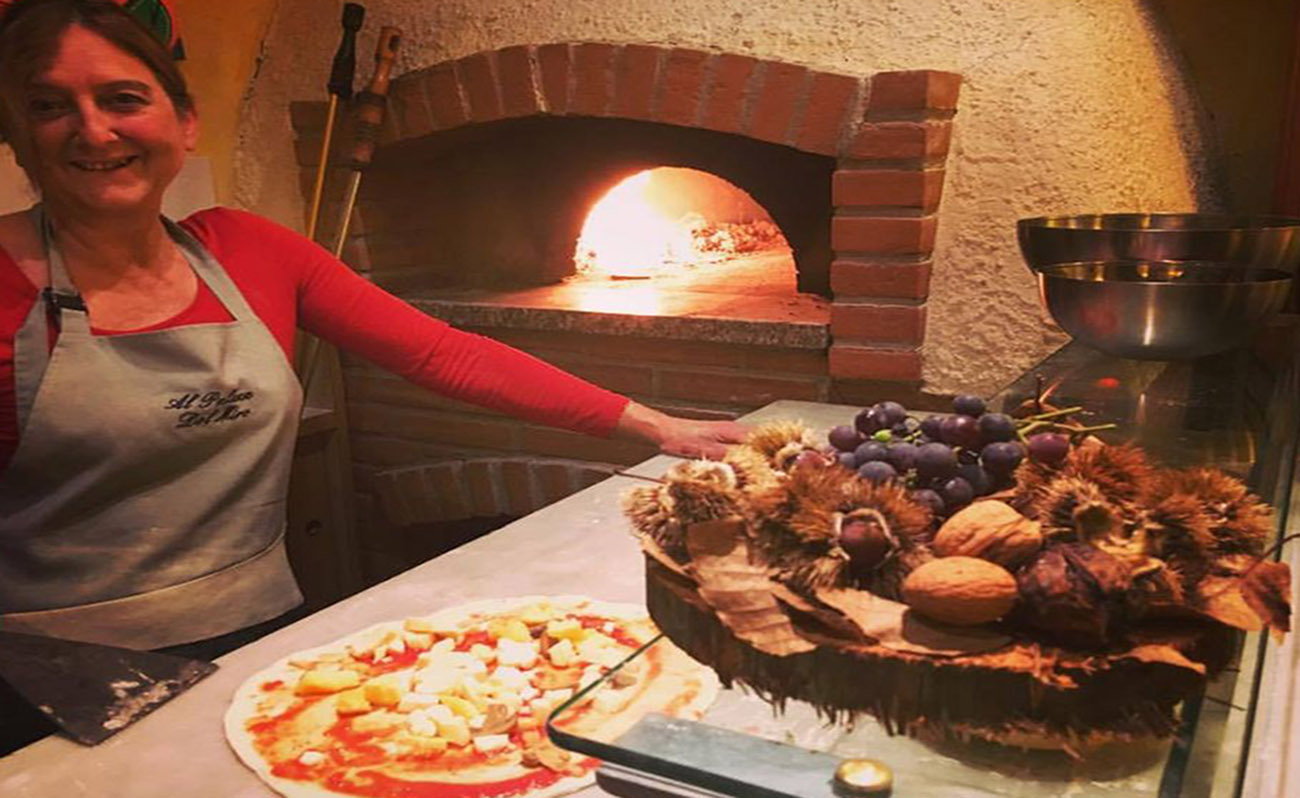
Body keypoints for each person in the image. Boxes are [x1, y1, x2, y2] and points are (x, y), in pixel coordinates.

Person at [0, 0, 747, 671]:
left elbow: (441, 352)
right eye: (49, 106)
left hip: (258, 631)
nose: (92, 130)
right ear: (18, 135)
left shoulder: (248, 249)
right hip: (49, 669)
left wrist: (656, 425)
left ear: (184, 120)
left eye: (123, 99)